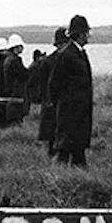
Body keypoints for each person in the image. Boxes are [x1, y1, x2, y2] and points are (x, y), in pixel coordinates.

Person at [48, 16, 93, 166]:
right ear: (81, 34)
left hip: (80, 109)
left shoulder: (80, 53)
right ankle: (58, 177)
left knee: (78, 147)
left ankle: (77, 174)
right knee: (65, 148)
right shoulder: (66, 55)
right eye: (87, 33)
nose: (88, 36)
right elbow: (54, 83)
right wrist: (61, 103)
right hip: (69, 110)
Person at [31, 27, 69, 155]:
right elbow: (43, 83)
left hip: (63, 101)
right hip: (51, 101)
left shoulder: (66, 59)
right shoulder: (48, 62)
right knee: (53, 131)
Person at [3, 33, 29, 126]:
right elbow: (24, 74)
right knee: (16, 119)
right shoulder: (15, 60)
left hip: (10, 92)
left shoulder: (7, 59)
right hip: (16, 93)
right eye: (21, 46)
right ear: (16, 47)